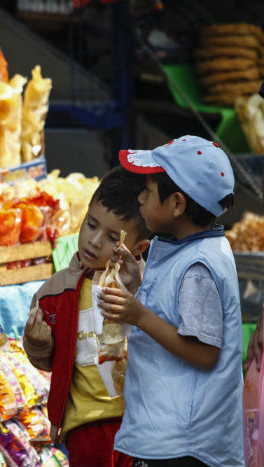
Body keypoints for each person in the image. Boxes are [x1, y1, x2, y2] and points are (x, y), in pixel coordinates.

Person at [99, 135, 243, 467]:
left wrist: (138, 315)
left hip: (185, 445)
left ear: (177, 204)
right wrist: (138, 283)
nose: (139, 198)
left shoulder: (198, 266)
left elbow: (205, 354)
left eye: (148, 192)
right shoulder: (186, 248)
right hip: (172, 433)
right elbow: (175, 311)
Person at [23, 166, 151, 467]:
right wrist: (37, 344)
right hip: (86, 424)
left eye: (111, 237)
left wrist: (138, 290)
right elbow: (46, 359)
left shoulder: (148, 286)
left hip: (142, 420)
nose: (93, 241)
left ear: (138, 247)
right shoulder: (55, 292)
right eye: (90, 225)